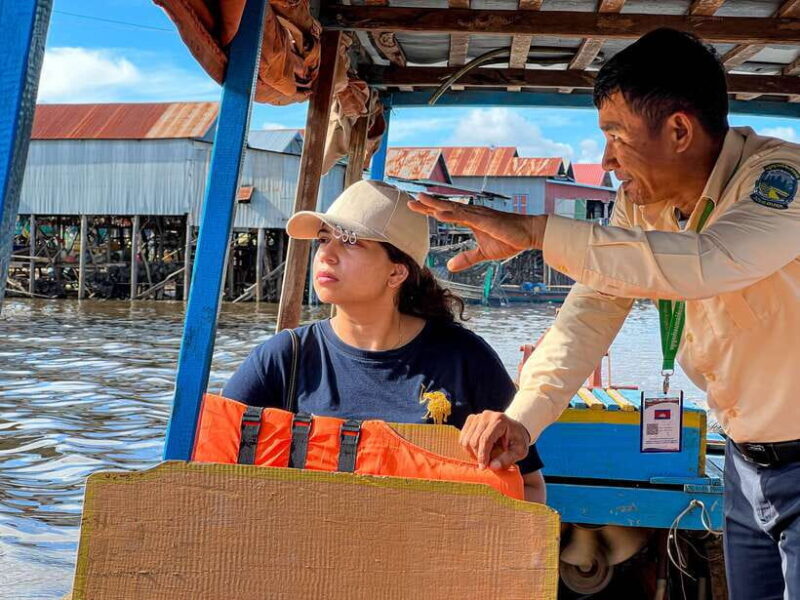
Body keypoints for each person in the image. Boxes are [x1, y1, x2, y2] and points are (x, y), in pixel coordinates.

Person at [410, 28, 800, 599]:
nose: (606, 159)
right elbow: (590, 312)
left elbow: (709, 261)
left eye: (616, 135)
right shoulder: (641, 205)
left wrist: (537, 232)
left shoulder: (780, 179)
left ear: (679, 130)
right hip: (745, 464)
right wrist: (523, 420)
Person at [222, 179, 546, 503]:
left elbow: (531, 489)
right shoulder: (285, 357)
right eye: (323, 239)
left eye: (350, 241)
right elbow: (213, 468)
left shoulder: (465, 359)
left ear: (396, 273)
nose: (326, 255)